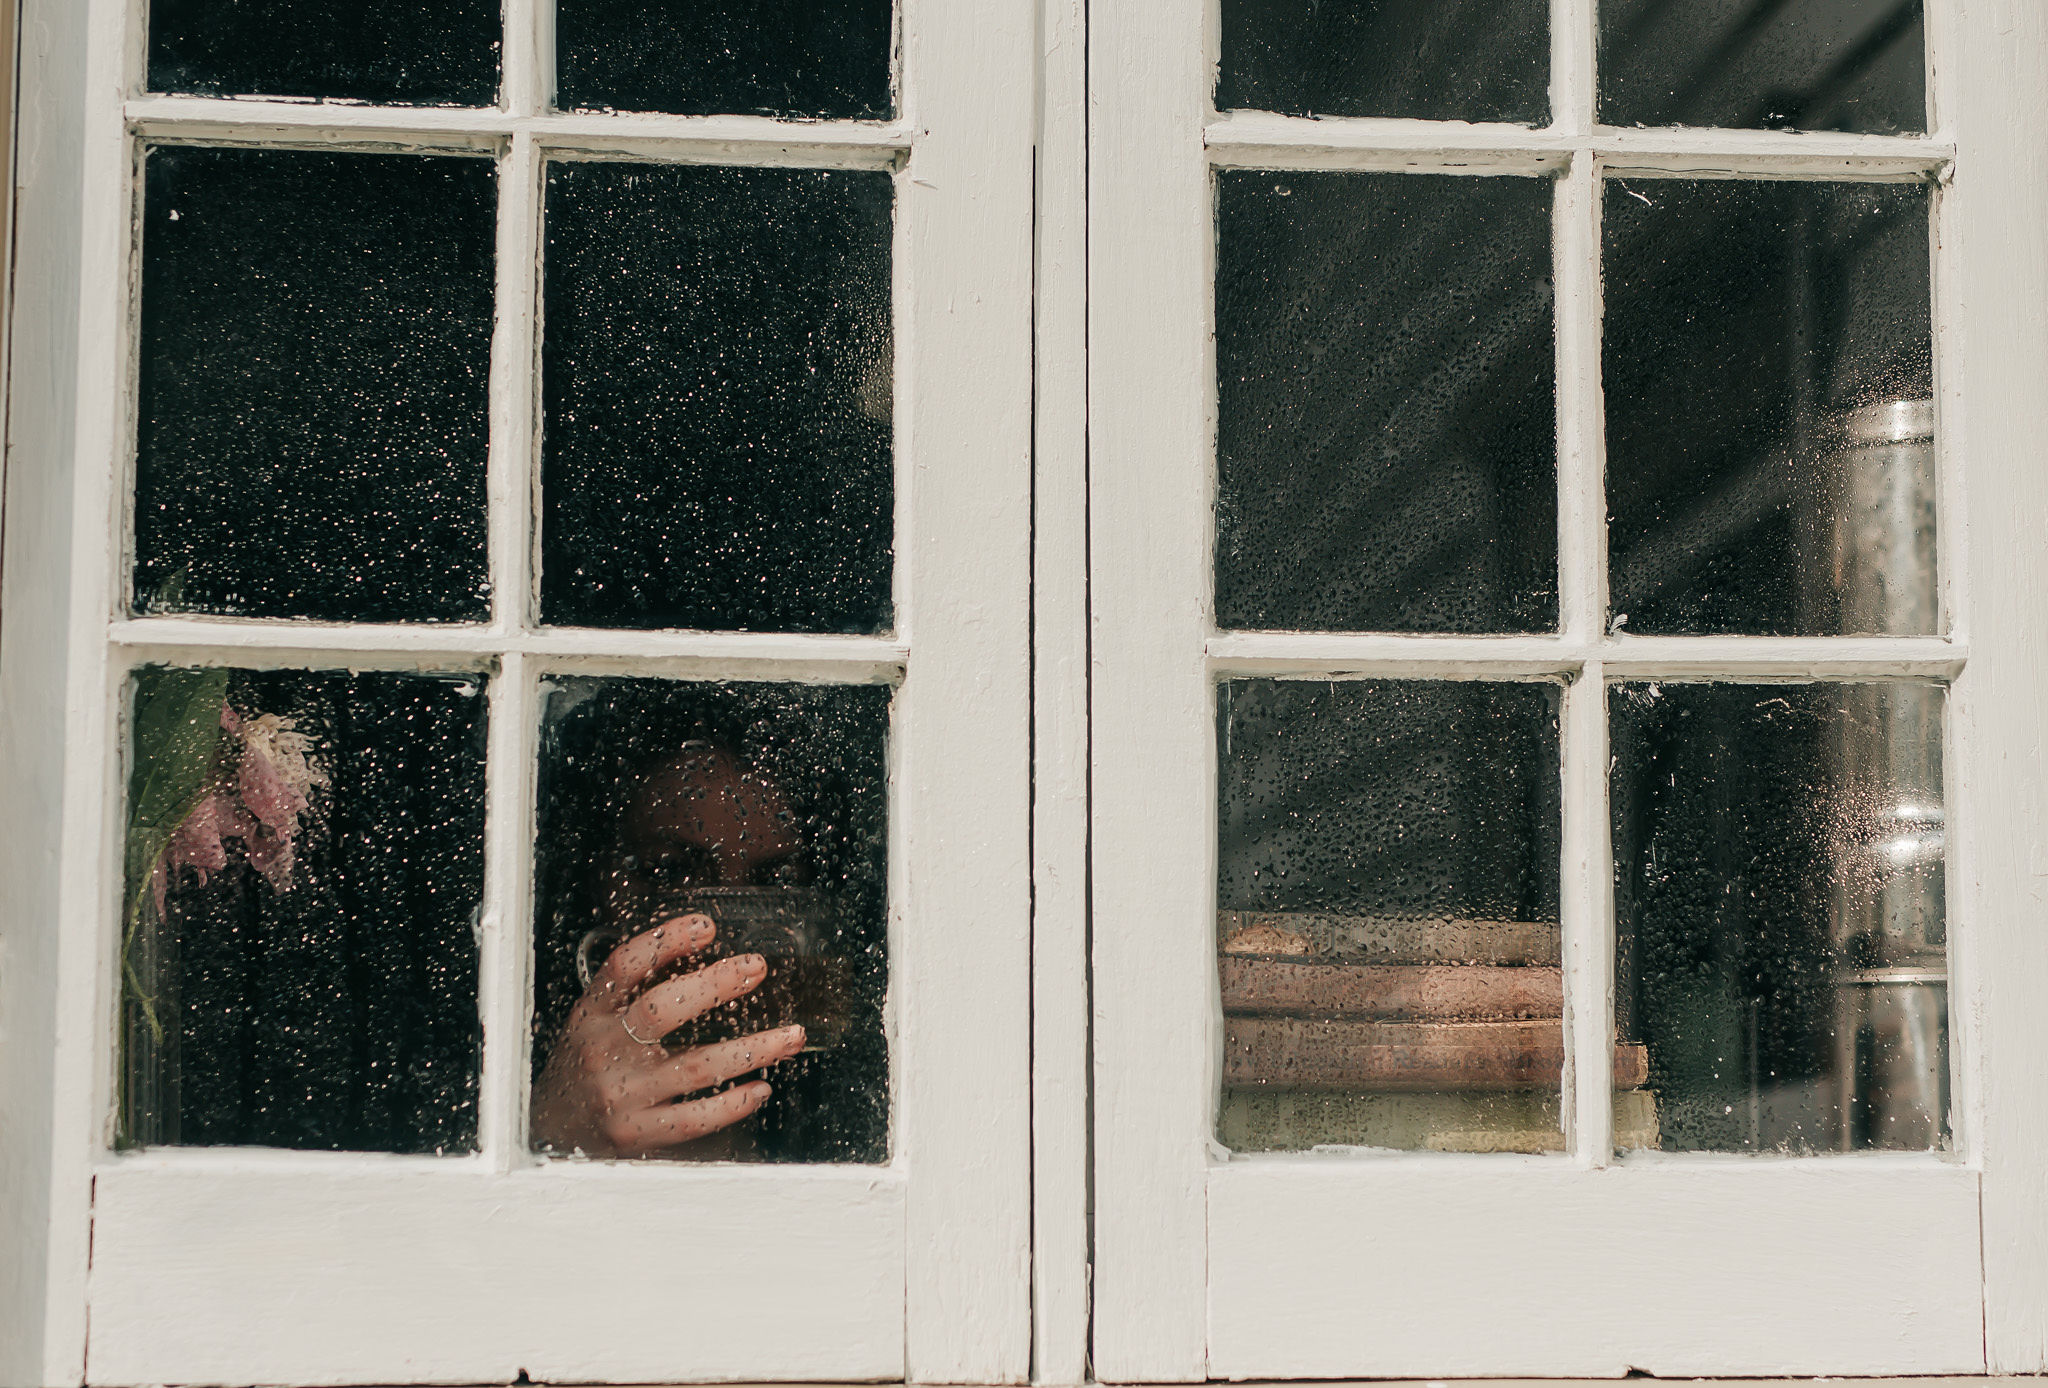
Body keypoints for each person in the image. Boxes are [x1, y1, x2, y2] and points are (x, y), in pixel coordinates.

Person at [529, 741, 812, 1158]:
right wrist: (558, 1128)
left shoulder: (850, 1101)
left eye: (772, 882)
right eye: (672, 870)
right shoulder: (498, 1069)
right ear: (594, 882)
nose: (725, 928)